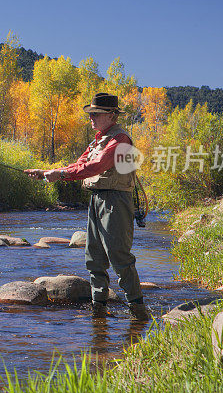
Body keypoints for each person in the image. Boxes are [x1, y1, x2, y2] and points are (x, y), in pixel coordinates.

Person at [25, 92, 150, 321]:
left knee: (119, 257)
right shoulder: (98, 139)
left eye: (96, 113)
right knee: (94, 257)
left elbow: (96, 166)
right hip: (97, 199)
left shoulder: (119, 140)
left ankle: (139, 312)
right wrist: (45, 173)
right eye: (90, 113)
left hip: (116, 202)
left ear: (111, 115)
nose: (91, 117)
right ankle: (98, 310)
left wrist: (60, 175)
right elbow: (80, 164)